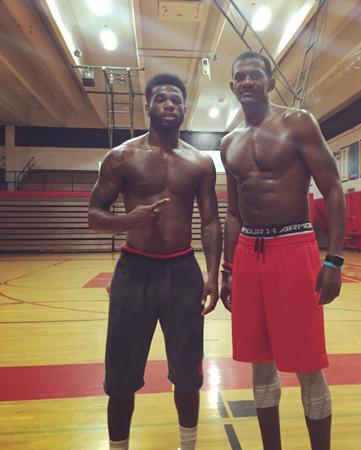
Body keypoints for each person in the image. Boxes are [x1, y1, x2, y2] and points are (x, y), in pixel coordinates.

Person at [88, 73, 222, 450]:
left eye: (176, 100)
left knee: (188, 373)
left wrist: (212, 275)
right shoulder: (122, 157)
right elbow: (94, 215)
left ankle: (187, 446)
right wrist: (127, 221)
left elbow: (210, 221)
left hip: (183, 272)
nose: (169, 105)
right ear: (147, 105)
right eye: (161, 98)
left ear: (184, 108)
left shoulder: (199, 162)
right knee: (121, 376)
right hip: (134, 272)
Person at [220, 51, 345, 450]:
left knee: (308, 364)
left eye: (255, 75)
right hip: (248, 252)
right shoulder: (228, 143)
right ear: (232, 86)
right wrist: (227, 269)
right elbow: (234, 213)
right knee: (260, 363)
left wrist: (334, 259)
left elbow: (333, 188)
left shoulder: (298, 123)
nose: (247, 81)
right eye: (240, 76)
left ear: (270, 83)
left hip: (294, 247)